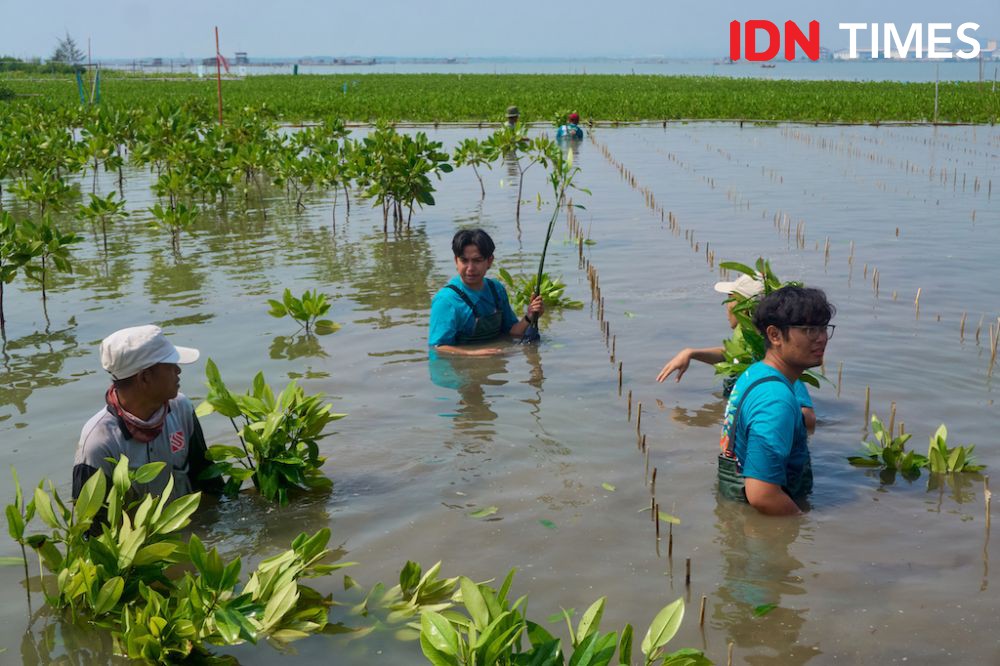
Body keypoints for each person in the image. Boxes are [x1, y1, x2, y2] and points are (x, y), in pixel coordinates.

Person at [717, 286, 835, 515]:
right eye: (810, 329)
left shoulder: (755, 372)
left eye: (823, 328)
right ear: (774, 335)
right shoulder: (775, 401)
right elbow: (763, 495)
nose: (821, 338)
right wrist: (802, 524)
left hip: (736, 514)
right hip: (761, 530)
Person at [72, 324, 222, 503]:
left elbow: (208, 481)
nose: (178, 370)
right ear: (145, 377)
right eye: (170, 365)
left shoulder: (181, 408)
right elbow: (90, 525)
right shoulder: (98, 445)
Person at [656, 273, 816, 434]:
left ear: (744, 309)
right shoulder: (748, 336)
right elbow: (735, 357)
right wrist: (691, 353)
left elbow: (808, 418)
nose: (726, 305)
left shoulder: (773, 356)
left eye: (730, 298)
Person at [428, 229, 544, 356]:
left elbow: (512, 332)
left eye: (477, 260)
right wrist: (472, 354)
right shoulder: (446, 301)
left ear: (489, 261)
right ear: (456, 261)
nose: (470, 268)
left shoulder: (496, 289)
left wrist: (530, 316)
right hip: (463, 370)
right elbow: (438, 347)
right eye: (464, 261)